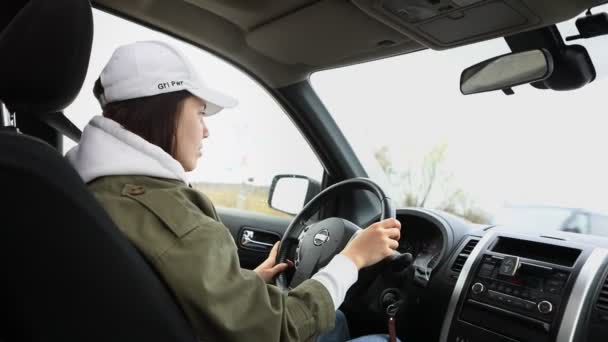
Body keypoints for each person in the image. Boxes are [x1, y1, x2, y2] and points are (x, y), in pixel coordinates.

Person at [67, 40, 402, 342]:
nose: (206, 130)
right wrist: (352, 260)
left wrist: (249, 284)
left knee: (338, 322)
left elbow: (169, 292)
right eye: (199, 112)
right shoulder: (170, 215)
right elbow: (277, 330)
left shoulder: (97, 192)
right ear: (165, 112)